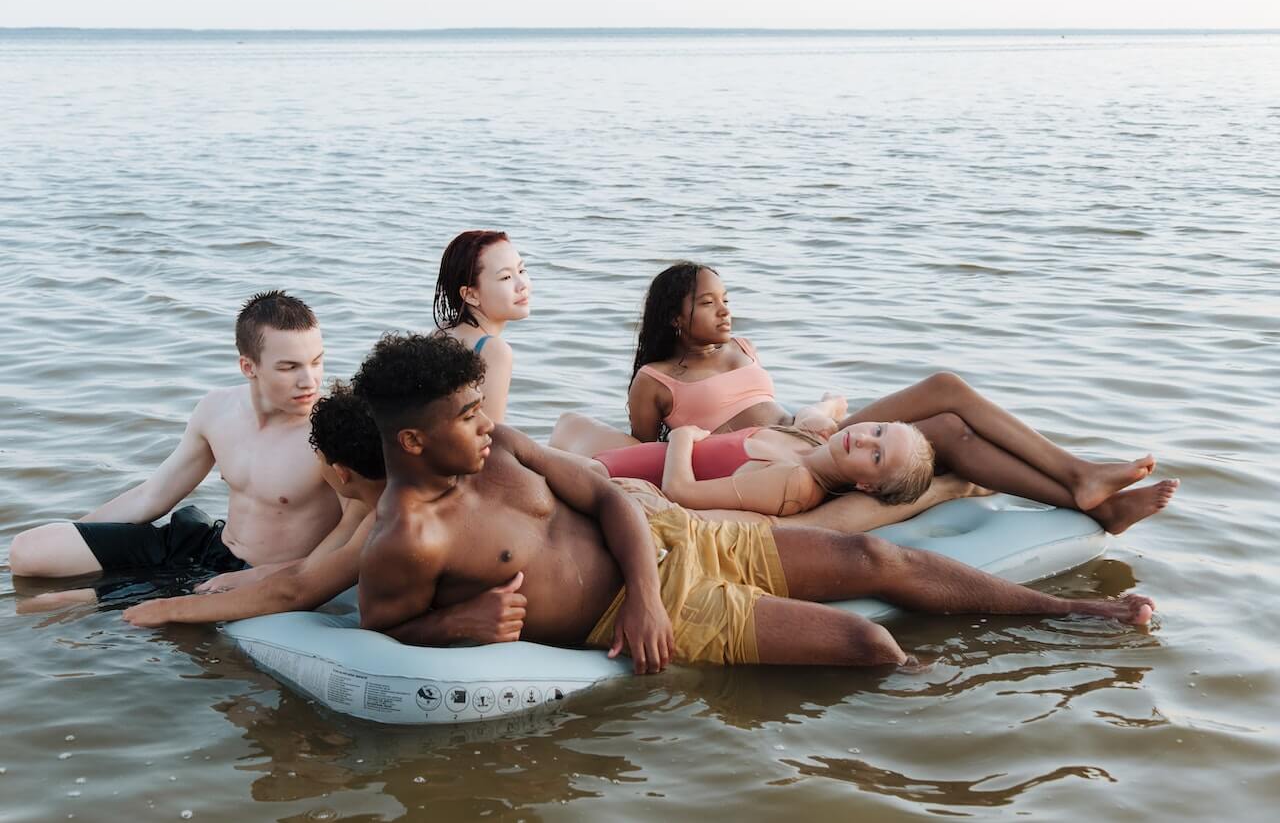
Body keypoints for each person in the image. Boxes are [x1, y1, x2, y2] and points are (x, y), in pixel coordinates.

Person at [354, 333, 1155, 674]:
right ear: (414, 442)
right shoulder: (409, 538)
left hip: (673, 532)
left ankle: (1070, 617)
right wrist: (452, 625)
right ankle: (955, 696)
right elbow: (382, 625)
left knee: (877, 557)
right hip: (669, 602)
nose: (483, 420)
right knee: (870, 645)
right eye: (463, 416)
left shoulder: (502, 446)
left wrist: (640, 592)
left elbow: (604, 492)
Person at [554, 262, 1178, 534]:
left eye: (725, 297)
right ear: (673, 318)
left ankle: (1084, 483)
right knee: (947, 412)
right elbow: (651, 453)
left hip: (810, 435)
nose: (725, 310)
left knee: (949, 405)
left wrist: (821, 412)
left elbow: (774, 406)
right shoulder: (655, 381)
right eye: (708, 303)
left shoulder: (743, 345)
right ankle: (1085, 490)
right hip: (776, 461)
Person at [122, 382, 526, 640]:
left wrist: (166, 608)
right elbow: (310, 569)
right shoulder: (397, 496)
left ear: (340, 473)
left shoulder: (393, 522)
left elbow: (298, 590)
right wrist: (261, 573)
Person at [9, 291, 366, 580]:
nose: (309, 380)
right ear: (249, 367)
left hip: (263, 571)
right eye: (290, 367)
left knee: (60, 605)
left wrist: (284, 576)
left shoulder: (331, 428)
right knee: (28, 553)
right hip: (207, 548)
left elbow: (354, 527)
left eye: (316, 361)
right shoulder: (217, 409)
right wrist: (79, 533)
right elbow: (153, 496)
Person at [592, 421, 935, 517]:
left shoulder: (794, 482)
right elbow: (817, 415)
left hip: (605, 476)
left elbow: (680, 493)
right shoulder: (813, 442)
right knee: (569, 421)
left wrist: (682, 436)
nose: (863, 439)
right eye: (878, 430)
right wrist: (829, 403)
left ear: (867, 486)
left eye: (877, 456)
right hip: (623, 457)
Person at [432, 229, 531, 423]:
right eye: (505, 278)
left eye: (521, 270)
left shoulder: (442, 331)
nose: (522, 285)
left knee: (570, 424)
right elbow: (491, 437)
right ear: (470, 295)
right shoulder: (493, 349)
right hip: (470, 452)